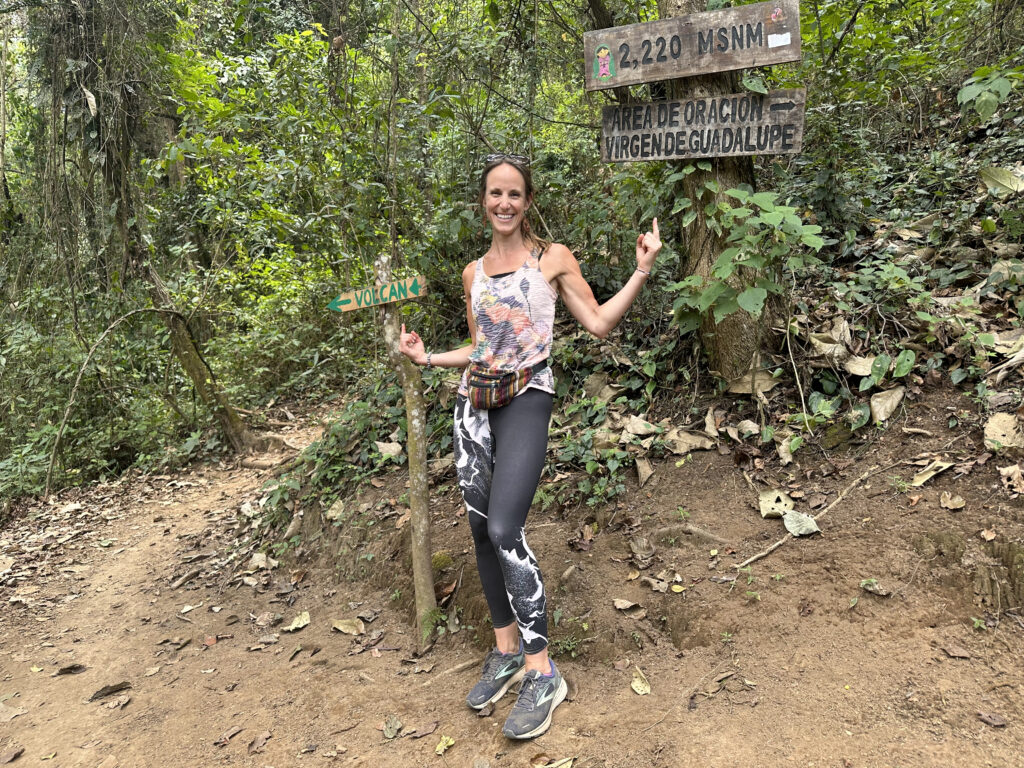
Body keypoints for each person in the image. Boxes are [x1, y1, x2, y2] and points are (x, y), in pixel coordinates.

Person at [399, 153, 661, 739]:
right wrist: (428, 358)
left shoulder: (552, 260)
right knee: (477, 529)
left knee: (504, 528)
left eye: (515, 194)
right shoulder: (473, 273)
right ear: (483, 200)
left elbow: (597, 323)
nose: (504, 204)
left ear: (527, 200)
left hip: (527, 399)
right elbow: (481, 346)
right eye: (495, 193)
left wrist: (641, 270)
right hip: (475, 402)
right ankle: (506, 649)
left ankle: (543, 670)